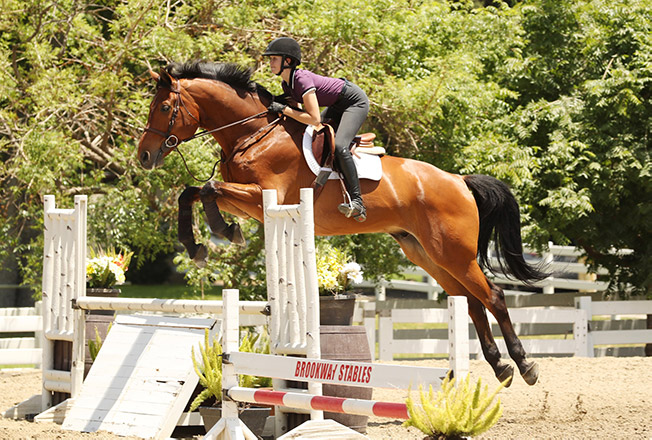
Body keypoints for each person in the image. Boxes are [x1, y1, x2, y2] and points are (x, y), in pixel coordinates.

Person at [263, 37, 368, 222]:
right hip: (336, 104)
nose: (270, 63)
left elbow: (313, 118)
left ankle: (358, 202)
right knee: (321, 138)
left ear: (287, 61)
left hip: (353, 102)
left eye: (273, 59)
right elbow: (298, 114)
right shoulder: (286, 84)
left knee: (341, 145)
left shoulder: (300, 79)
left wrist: (284, 109)